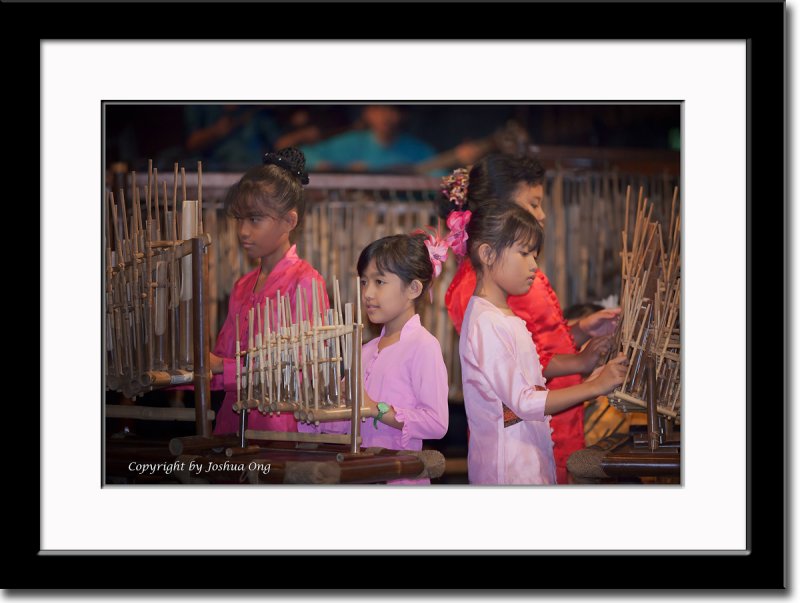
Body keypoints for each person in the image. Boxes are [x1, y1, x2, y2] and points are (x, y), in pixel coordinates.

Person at [441, 153, 620, 484]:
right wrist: (594, 383)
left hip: (540, 435)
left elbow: (534, 361)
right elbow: (521, 399)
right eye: (532, 203)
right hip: (512, 454)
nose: (542, 214)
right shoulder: (484, 312)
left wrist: (582, 352)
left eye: (533, 255)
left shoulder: (504, 306)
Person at [208, 147, 329, 435]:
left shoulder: (306, 281)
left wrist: (221, 368)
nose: (243, 232)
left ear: (289, 221)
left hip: (279, 426)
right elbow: (223, 357)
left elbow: (302, 370)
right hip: (232, 421)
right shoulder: (242, 285)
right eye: (240, 219)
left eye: (255, 219)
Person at [312, 233, 450, 484]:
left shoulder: (423, 346)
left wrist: (375, 408)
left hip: (400, 480)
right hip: (361, 477)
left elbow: (436, 423)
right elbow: (345, 425)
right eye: (364, 282)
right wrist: (321, 409)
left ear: (413, 288)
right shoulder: (365, 350)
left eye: (379, 282)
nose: (367, 293)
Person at [299, 105, 442, 175]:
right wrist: (326, 166)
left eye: (392, 110)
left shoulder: (417, 149)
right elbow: (304, 154)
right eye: (379, 109)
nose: (385, 116)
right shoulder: (350, 142)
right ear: (367, 113)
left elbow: (440, 176)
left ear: (402, 115)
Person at [183, 105, 282, 171]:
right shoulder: (203, 106)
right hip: (215, 174)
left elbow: (279, 143)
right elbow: (191, 143)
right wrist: (215, 131)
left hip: (252, 175)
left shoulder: (255, 109)